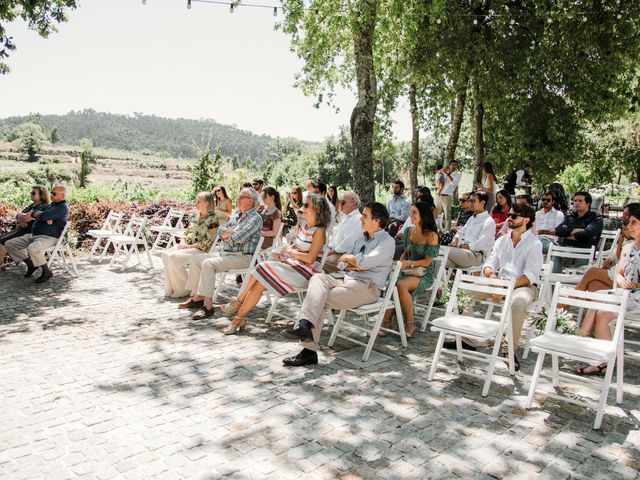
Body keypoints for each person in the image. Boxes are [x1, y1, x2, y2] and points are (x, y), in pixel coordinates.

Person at [283, 202, 395, 367]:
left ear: (377, 220)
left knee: (318, 298)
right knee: (318, 278)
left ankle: (308, 349)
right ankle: (305, 326)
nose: (361, 219)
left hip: (367, 287)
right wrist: (352, 262)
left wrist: (353, 261)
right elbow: (342, 263)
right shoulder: (361, 238)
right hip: (346, 279)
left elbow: (366, 262)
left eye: (365, 216)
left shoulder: (387, 241)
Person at [444, 203, 542, 371]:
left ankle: (508, 349)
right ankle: (468, 340)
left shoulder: (534, 244)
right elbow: (489, 264)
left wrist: (505, 288)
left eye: (514, 216)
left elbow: (530, 275)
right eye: (509, 215)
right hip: (499, 282)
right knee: (461, 292)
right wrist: (493, 278)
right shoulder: (502, 240)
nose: (509, 218)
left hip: (523, 286)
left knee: (517, 304)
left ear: (526, 220)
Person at [218, 194, 331, 335]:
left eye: (306, 205)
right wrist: (285, 250)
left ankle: (237, 301)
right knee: (259, 284)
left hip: (304, 273)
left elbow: (310, 258)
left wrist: (290, 251)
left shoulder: (319, 231)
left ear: (317, 209)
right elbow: (295, 247)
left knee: (260, 267)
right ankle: (237, 319)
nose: (302, 207)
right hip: (291, 266)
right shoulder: (304, 225)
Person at [574, 203, 640, 375]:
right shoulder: (629, 248)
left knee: (600, 300)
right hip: (624, 294)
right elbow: (618, 272)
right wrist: (620, 280)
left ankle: (578, 338)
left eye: (634, 223)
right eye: (629, 222)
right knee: (601, 309)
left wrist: (634, 284)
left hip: (637, 297)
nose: (629, 226)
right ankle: (602, 361)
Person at [180, 187, 263, 319]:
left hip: (242, 257)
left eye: (241, 197)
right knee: (195, 259)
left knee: (208, 264)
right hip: (226, 254)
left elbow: (237, 239)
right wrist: (229, 234)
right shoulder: (237, 215)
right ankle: (197, 297)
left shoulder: (255, 219)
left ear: (251, 201)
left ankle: (208, 306)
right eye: (239, 196)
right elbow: (220, 230)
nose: (238, 199)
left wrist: (229, 235)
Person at [380, 201, 440, 338]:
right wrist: (400, 264)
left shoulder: (432, 235)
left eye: (414, 212)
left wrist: (410, 264)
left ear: (423, 215)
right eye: (411, 212)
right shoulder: (408, 231)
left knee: (401, 285)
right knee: (392, 283)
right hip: (408, 269)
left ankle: (410, 323)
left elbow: (427, 261)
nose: (410, 215)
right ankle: (386, 321)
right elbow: (406, 253)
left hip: (424, 273)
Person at [5, 184, 69, 283]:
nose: (51, 195)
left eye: (54, 193)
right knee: (9, 244)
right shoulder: (52, 205)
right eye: (51, 192)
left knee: (32, 248)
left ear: (62, 196)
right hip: (35, 235)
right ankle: (30, 264)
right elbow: (37, 215)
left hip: (48, 237)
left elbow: (41, 216)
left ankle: (46, 272)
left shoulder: (62, 207)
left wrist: (40, 215)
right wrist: (41, 215)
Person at [162, 192, 219, 298]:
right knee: (165, 254)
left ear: (207, 203)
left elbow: (206, 243)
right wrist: (182, 242)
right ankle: (171, 288)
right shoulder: (197, 215)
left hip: (201, 249)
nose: (196, 203)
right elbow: (187, 232)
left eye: (198, 201)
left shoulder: (213, 219)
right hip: (188, 246)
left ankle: (183, 288)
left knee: (173, 257)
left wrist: (187, 247)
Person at [551, 191, 603, 273]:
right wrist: (581, 230)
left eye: (580, 201)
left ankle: (578, 284)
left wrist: (568, 233)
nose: (576, 203)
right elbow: (558, 231)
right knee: (555, 254)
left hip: (585, 250)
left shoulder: (596, 218)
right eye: (575, 201)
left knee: (580, 273)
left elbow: (588, 234)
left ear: (588, 203)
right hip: (566, 248)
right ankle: (553, 283)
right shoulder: (570, 216)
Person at [0, 185, 50, 265]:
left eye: (33, 193)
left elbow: (26, 217)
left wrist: (22, 217)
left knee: (2, 242)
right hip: (20, 230)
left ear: (41, 195)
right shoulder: (31, 205)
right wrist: (20, 219)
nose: (31, 194)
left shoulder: (44, 207)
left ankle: (1, 264)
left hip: (28, 232)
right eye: (31, 192)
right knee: (1, 238)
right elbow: (18, 215)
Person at [446, 191, 496, 270]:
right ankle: (436, 281)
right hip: (463, 253)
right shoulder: (472, 218)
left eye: (473, 201)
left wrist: (463, 246)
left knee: (442, 251)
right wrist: (456, 239)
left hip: (476, 256)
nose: (470, 203)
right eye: (470, 200)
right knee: (439, 261)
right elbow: (461, 232)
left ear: (482, 203)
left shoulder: (489, 221)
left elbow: (481, 244)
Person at [323, 192, 363, 273]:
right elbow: (336, 237)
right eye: (340, 202)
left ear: (354, 204)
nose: (340, 204)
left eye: (343, 202)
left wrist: (331, 252)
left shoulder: (357, 219)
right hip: (336, 252)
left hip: (345, 255)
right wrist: (328, 248)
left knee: (322, 261)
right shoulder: (346, 217)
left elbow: (348, 242)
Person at [438, 160, 461, 231]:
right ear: (450, 166)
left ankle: (447, 231)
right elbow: (440, 181)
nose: (453, 166)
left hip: (448, 196)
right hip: (440, 195)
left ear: (457, 166)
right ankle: (438, 229)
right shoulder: (445, 173)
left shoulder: (457, 174)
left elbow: (453, 183)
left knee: (447, 215)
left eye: (455, 165)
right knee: (438, 214)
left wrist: (447, 175)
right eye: (452, 165)